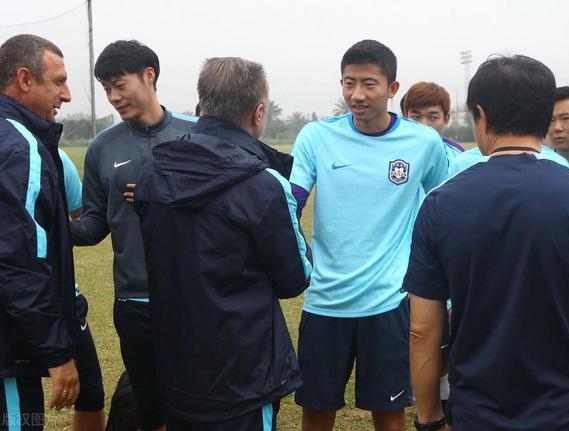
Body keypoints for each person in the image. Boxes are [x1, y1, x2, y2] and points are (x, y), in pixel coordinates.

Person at [404, 55, 569, 431]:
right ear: (544, 114)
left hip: (479, 414)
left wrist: (430, 418)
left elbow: (423, 330)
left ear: (480, 115)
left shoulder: (441, 204)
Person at [134, 56, 311, 430]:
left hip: (177, 364)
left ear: (202, 108)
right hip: (244, 375)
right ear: (258, 112)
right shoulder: (263, 184)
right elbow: (294, 277)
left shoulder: (154, 171)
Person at [290, 39, 449, 431]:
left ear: (393, 89)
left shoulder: (422, 142)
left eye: (369, 84)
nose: (356, 95)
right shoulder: (316, 137)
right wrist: (301, 262)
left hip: (389, 301)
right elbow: (289, 205)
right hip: (325, 300)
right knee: (315, 412)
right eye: (348, 83)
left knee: (389, 415)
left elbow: (444, 205)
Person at [69, 40, 197, 431]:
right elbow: (93, 225)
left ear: (149, 75)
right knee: (149, 408)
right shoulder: (102, 148)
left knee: (199, 403)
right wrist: (48, 225)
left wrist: (167, 195)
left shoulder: (198, 136)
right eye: (106, 88)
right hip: (133, 301)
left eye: (119, 84)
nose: (113, 96)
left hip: (195, 297)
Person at [0, 34, 80, 430]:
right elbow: (19, 259)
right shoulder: (19, 148)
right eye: (59, 81)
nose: (66, 94)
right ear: (25, 78)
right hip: (9, 356)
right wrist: (57, 353)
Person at [59, 148, 105, 431]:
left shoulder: (57, 157)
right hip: (16, 298)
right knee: (17, 394)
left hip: (63, 297)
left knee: (90, 392)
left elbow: (84, 220)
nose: (64, 99)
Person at [400, 82, 464, 160]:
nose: (424, 125)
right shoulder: (392, 152)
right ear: (405, 117)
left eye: (433, 117)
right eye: (416, 117)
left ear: (446, 119)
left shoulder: (458, 157)